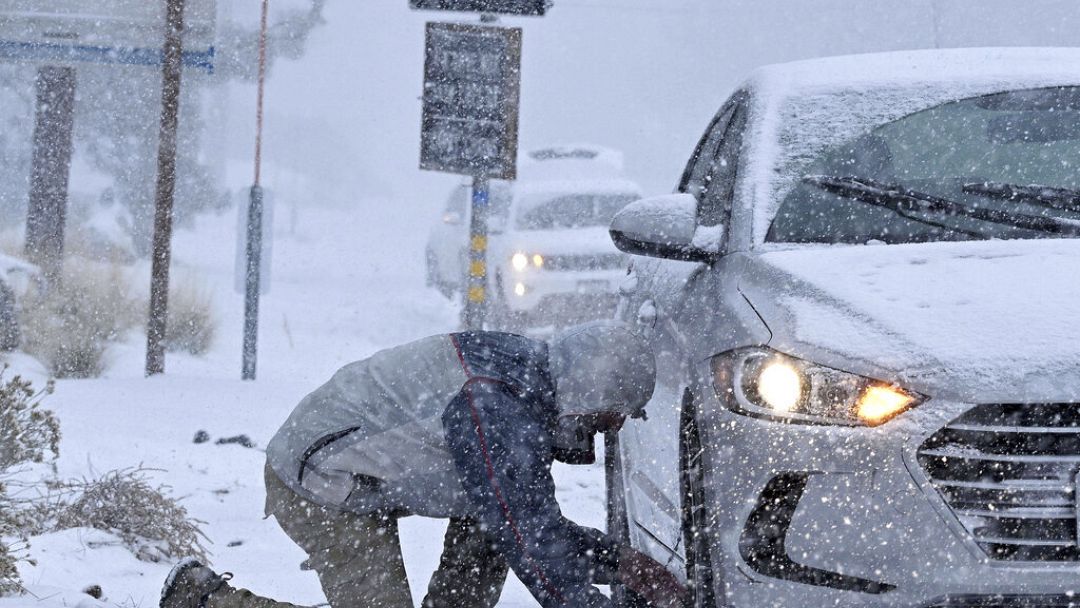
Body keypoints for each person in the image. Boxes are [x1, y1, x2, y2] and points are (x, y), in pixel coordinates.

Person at [160, 322, 688, 608]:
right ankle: (206, 599)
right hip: (319, 481)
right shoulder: (496, 409)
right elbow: (533, 548)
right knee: (501, 530)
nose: (613, 429)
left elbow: (529, 525)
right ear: (587, 391)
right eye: (610, 415)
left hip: (368, 471)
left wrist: (617, 562)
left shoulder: (529, 380)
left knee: (489, 532)